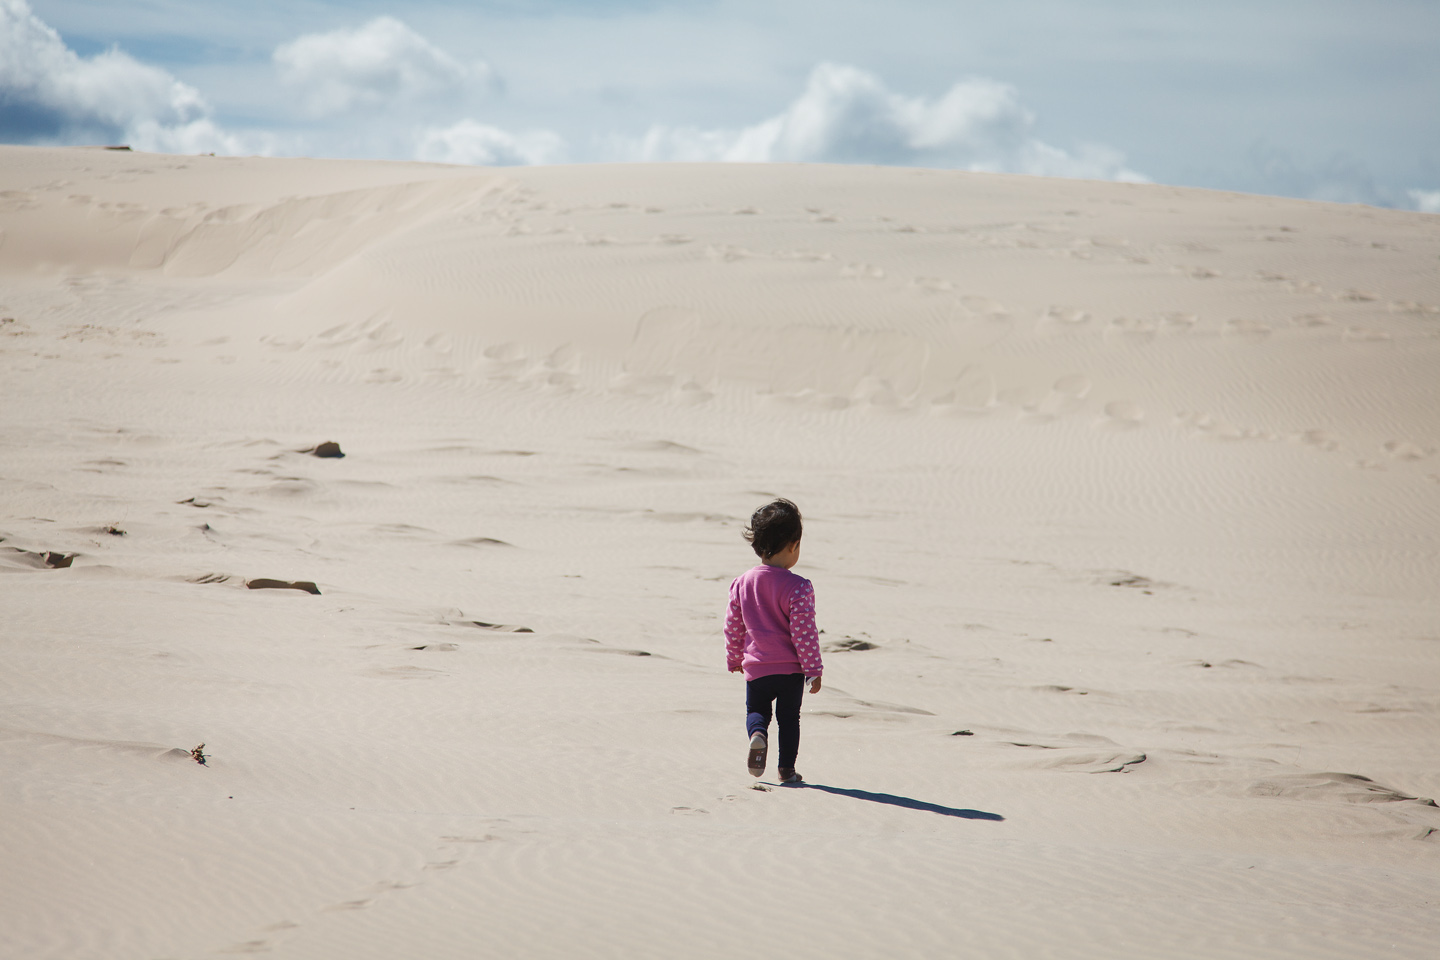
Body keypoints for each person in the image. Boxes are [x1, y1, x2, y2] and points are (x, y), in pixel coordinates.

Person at [724, 498, 823, 783]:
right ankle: (786, 770)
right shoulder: (799, 586)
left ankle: (757, 735)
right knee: (789, 720)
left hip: (757, 667)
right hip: (791, 670)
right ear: (793, 546)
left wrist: (734, 657)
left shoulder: (741, 583)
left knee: (757, 712)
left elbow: (733, 626)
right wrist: (813, 669)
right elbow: (805, 634)